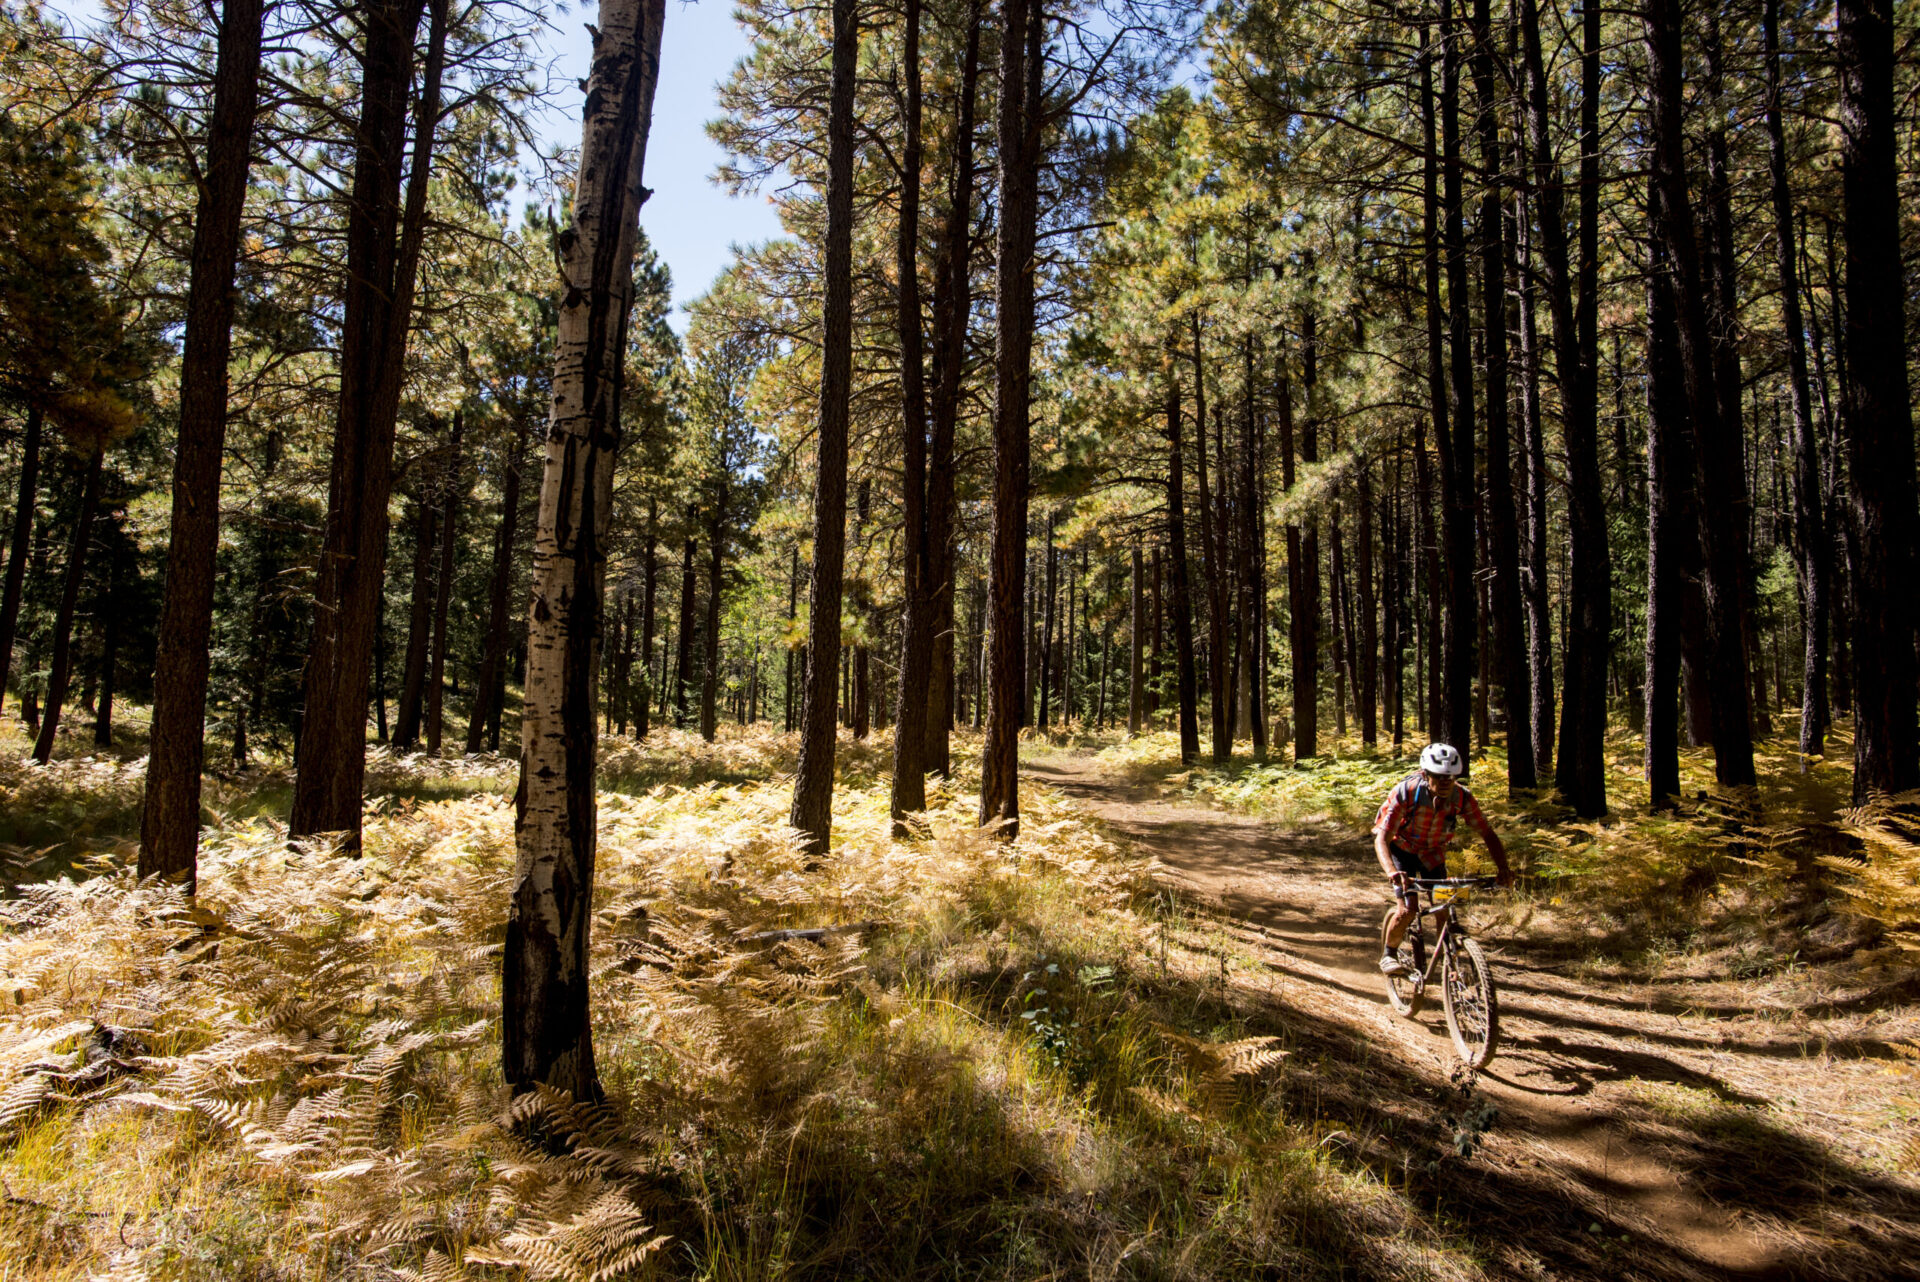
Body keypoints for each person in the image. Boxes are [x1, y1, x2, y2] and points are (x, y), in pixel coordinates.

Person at [1373, 743, 1512, 976]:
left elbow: (1487, 834)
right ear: (1426, 775)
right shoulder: (1406, 792)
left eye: (1451, 777)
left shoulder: (1462, 798)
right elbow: (1382, 839)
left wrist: (1503, 869)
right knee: (1408, 910)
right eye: (1440, 777)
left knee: (1444, 908)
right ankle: (1389, 954)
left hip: (1432, 853)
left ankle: (1450, 963)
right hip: (1402, 848)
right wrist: (1391, 872)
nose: (1446, 782)